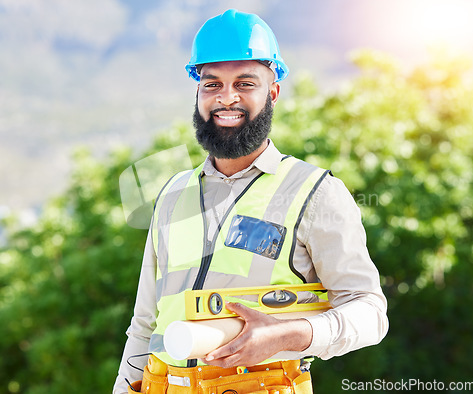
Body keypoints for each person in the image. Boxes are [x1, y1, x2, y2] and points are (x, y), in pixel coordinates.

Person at [113, 9, 388, 394]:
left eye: (245, 83)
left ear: (271, 93)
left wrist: (288, 335)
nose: (227, 98)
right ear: (198, 93)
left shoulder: (315, 192)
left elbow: (370, 313)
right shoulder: (174, 194)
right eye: (212, 85)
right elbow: (145, 323)